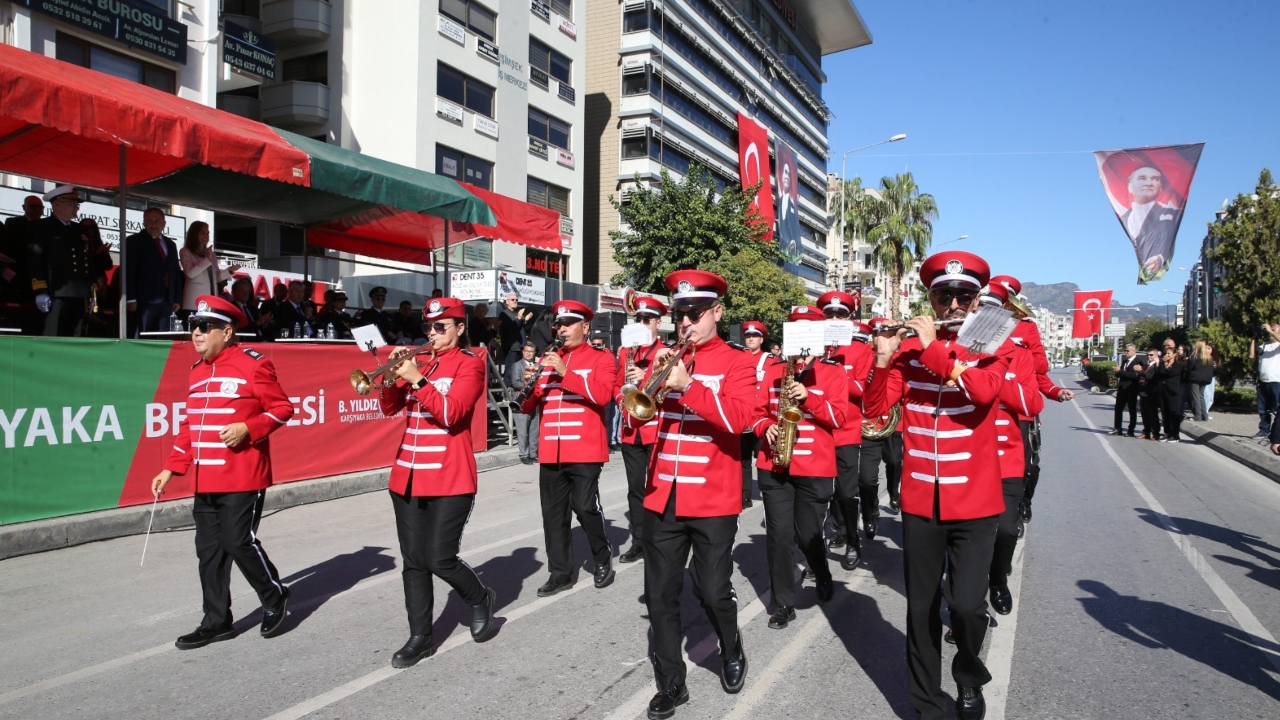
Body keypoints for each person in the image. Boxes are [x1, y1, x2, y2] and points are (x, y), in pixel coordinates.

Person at [863, 250, 1008, 720]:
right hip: (922, 500)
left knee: (966, 607)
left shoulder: (994, 343)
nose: (952, 305)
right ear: (931, 299)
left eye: (962, 296)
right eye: (944, 296)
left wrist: (932, 350)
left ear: (976, 301)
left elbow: (985, 393)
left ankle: (968, 674)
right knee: (921, 609)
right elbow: (873, 413)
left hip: (977, 501)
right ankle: (926, 704)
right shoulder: (908, 353)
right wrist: (883, 359)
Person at [640, 269, 755, 718]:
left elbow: (740, 419)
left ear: (717, 312)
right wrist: (638, 404)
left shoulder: (738, 362)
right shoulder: (663, 358)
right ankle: (672, 685)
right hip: (662, 496)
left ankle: (731, 646)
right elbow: (640, 421)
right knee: (659, 596)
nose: (685, 322)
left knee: (711, 591)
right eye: (679, 313)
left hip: (712, 498)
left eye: (694, 313)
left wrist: (688, 387)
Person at [151, 295, 294, 649]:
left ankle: (274, 594)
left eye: (204, 327)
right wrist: (171, 468)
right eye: (192, 327)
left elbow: (282, 409)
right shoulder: (196, 371)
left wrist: (249, 428)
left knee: (237, 541)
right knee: (209, 551)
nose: (196, 334)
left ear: (227, 332)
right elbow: (190, 427)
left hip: (243, 475)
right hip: (205, 479)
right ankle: (216, 621)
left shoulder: (252, 364)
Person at [376, 296, 496, 667]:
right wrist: (392, 377)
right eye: (428, 327)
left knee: (439, 558)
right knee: (413, 562)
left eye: (440, 327)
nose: (432, 333)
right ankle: (420, 637)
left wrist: (418, 379)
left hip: (450, 477)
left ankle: (479, 597)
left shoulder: (470, 365)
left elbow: (453, 413)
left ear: (460, 329)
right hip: (408, 475)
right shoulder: (420, 361)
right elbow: (389, 407)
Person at [751, 305, 846, 629]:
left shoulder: (833, 372)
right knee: (778, 537)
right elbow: (755, 412)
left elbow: (839, 418)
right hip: (775, 465)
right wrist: (765, 427)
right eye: (796, 327)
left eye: (808, 328)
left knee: (808, 536)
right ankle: (783, 603)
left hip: (815, 467)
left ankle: (820, 570)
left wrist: (809, 398)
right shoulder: (776, 369)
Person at [519, 299, 618, 597]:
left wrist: (565, 372)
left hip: (585, 450)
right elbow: (528, 407)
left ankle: (602, 556)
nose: (561, 329)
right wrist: (526, 387)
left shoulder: (602, 358)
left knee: (586, 508)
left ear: (585, 327)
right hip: (551, 451)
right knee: (553, 515)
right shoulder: (549, 359)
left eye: (568, 324)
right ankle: (560, 573)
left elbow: (602, 396)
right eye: (558, 325)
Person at [978, 282, 1044, 617]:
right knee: (968, 538)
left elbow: (1032, 403)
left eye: (993, 311)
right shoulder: (955, 352)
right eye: (980, 310)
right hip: (968, 461)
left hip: (1006, 455)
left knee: (1005, 529)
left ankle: (997, 580)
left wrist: (990, 378)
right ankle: (969, 608)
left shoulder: (1017, 354)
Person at [987, 274, 1075, 524]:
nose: (1004, 305)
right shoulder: (981, 323)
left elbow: (1040, 367)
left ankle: (1023, 501)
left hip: (1021, 407)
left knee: (1029, 466)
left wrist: (1014, 348)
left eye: (1008, 300)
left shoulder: (1026, 327)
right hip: (988, 402)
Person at [816, 292, 875, 571]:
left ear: (850, 319)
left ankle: (853, 540)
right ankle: (836, 530)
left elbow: (861, 390)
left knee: (847, 491)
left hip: (846, 429)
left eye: (840, 316)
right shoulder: (814, 348)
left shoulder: (861, 351)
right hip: (817, 430)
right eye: (829, 315)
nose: (834, 320)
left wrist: (836, 370)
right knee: (822, 492)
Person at [613, 296, 668, 563]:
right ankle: (639, 541)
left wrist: (643, 378)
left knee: (658, 487)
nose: (644, 324)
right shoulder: (626, 352)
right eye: (640, 320)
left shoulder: (665, 352)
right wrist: (621, 397)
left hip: (655, 430)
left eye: (648, 319)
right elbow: (616, 385)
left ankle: (662, 538)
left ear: (659, 322)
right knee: (635, 489)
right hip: (631, 430)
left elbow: (666, 388)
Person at [26, 185, 102, 337]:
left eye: (77, 204)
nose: (76, 208)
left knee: (76, 336)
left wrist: (92, 292)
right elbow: (35, 260)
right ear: (57, 204)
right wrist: (40, 290)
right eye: (72, 204)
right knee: (53, 334)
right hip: (56, 292)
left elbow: (89, 261)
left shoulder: (79, 230)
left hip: (80, 293)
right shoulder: (41, 227)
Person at [861, 318, 905, 516]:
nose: (884, 336)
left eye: (889, 332)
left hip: (894, 420)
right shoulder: (865, 356)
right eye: (880, 333)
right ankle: (871, 506)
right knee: (867, 475)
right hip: (870, 421)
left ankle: (894, 494)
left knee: (895, 460)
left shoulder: (902, 355)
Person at [125, 207, 183, 335]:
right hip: (144, 300)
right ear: (144, 223)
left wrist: (177, 298)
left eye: (157, 221)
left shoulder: (170, 244)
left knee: (163, 336)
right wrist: (130, 298)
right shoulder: (134, 241)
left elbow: (175, 273)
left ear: (164, 224)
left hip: (167, 300)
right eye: (149, 221)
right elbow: (129, 271)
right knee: (142, 334)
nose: (153, 224)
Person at [1120, 165, 1182, 280]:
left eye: (1155, 179)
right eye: (1142, 178)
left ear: (1161, 187)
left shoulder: (1171, 215)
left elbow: (1167, 239)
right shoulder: (1124, 218)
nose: (1149, 183)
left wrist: (1161, 258)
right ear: (1129, 187)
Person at [738, 321, 771, 509]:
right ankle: (745, 496)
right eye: (748, 336)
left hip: (761, 417)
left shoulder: (771, 360)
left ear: (761, 339)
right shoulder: (738, 357)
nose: (751, 338)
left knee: (763, 456)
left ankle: (769, 491)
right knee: (742, 460)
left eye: (755, 336)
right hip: (743, 417)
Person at [179, 221, 241, 313]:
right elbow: (190, 273)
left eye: (207, 233)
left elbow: (216, 277)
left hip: (211, 302)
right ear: (194, 234)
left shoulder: (212, 255)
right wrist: (207, 260)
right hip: (194, 303)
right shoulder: (185, 251)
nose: (206, 236)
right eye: (202, 233)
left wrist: (229, 271)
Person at [2, 195, 41, 333]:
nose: (37, 210)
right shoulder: (14, 223)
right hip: (19, 275)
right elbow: (8, 248)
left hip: (39, 277)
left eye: (40, 207)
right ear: (24, 208)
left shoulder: (46, 227)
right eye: (33, 206)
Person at [507, 342, 542, 465]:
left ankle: (533, 453)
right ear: (522, 352)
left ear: (535, 353)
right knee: (522, 430)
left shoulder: (538, 365)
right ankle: (524, 454)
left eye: (531, 351)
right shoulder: (517, 365)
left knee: (534, 429)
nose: (528, 353)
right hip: (521, 401)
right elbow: (515, 383)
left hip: (535, 401)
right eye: (526, 351)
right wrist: (530, 387)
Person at [1250, 323, 1280, 438]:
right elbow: (1252, 355)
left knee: (1278, 408)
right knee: (1263, 409)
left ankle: (1276, 433)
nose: (1270, 330)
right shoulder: (1265, 345)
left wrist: (1269, 330)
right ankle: (1264, 429)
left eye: (1274, 328)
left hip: (1277, 381)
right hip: (1263, 381)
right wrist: (1254, 339)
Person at [1156, 338, 1184, 442]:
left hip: (1172, 391)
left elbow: (1169, 373)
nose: (1167, 355)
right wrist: (1163, 364)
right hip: (1163, 391)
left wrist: (1163, 363)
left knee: (1174, 413)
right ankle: (1167, 432)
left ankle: (1175, 434)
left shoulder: (1178, 365)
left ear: (1174, 355)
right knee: (1165, 413)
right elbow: (1161, 373)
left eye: (1169, 353)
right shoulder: (1163, 364)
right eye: (1166, 353)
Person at [1112, 344, 1144, 436]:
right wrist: (1117, 372)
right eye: (1125, 351)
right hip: (1122, 388)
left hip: (1131, 389)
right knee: (1118, 409)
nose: (1126, 352)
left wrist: (1121, 371)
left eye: (1128, 351)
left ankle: (1131, 430)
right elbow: (1121, 374)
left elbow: (1134, 376)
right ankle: (1118, 428)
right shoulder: (1125, 361)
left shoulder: (1138, 362)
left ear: (1134, 351)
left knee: (1132, 410)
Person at [1185, 341, 1214, 422]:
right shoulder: (1208, 357)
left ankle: (1197, 416)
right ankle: (1205, 415)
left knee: (1196, 397)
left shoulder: (1194, 356)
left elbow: (1190, 368)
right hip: (1205, 379)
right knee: (1201, 396)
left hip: (1195, 378)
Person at [1138, 349, 1163, 440]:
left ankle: (1155, 433)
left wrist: (1141, 372)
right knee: (1144, 414)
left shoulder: (1156, 366)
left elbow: (1150, 377)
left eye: (1151, 355)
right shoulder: (1146, 366)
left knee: (1152, 414)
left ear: (1156, 356)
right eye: (1148, 355)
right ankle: (1146, 431)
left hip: (1151, 393)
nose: (1149, 356)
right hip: (1143, 392)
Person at [498, 292, 531, 359]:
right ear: (507, 302)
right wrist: (518, 318)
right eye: (512, 300)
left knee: (520, 368)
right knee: (510, 368)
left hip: (521, 347)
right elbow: (509, 329)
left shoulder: (517, 313)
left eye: (516, 300)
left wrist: (526, 321)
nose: (515, 301)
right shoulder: (504, 314)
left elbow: (527, 329)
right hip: (512, 348)